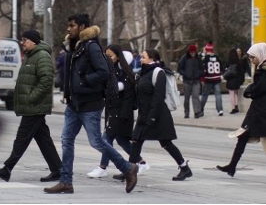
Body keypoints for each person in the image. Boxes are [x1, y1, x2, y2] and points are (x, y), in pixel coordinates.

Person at [46, 15, 137, 195]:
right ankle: (66, 182)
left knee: (96, 141)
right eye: (68, 26)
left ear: (82, 27)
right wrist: (68, 93)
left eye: (72, 26)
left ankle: (128, 168)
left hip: (90, 103)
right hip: (74, 103)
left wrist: (83, 82)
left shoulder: (92, 46)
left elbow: (103, 72)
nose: (68, 29)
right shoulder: (75, 46)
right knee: (66, 140)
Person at [0, 30, 61, 184]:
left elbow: (47, 80)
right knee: (43, 139)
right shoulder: (32, 56)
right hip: (33, 106)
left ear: (34, 41)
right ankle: (58, 169)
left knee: (22, 138)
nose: (22, 43)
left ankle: (7, 169)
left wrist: (31, 98)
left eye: (25, 40)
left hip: (35, 106)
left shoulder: (42, 56)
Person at [217, 43, 266, 179]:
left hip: (264, 110)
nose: (252, 60)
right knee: (244, 135)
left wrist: (249, 92)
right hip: (263, 109)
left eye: (253, 57)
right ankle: (232, 166)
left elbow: (261, 88)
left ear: (260, 54)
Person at [88, 45, 148, 179]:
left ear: (118, 57)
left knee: (106, 139)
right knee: (122, 141)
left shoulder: (124, 73)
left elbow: (127, 96)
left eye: (110, 56)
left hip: (121, 113)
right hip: (113, 111)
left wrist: (123, 115)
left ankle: (103, 167)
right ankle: (141, 162)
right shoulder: (110, 70)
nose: (107, 58)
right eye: (106, 56)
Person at [131, 50, 192, 182]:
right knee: (136, 140)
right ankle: (130, 170)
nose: (141, 59)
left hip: (158, 115)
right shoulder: (141, 73)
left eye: (143, 57)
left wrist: (151, 118)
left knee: (166, 143)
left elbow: (158, 97)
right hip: (144, 114)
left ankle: (184, 168)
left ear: (152, 59)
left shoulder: (158, 73)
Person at [178, 44, 204, 119]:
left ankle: (197, 112)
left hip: (196, 80)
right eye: (191, 52)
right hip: (187, 81)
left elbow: (202, 69)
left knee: (196, 96)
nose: (193, 54)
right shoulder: (184, 58)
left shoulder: (198, 59)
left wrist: (198, 74)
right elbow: (180, 68)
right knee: (186, 97)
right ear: (189, 52)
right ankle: (187, 112)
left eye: (194, 52)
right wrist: (185, 74)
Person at [200, 43, 225, 117]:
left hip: (208, 79)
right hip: (216, 78)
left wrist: (202, 79)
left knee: (204, 95)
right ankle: (220, 109)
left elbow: (203, 69)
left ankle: (201, 109)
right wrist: (220, 74)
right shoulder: (217, 57)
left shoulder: (205, 58)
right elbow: (221, 66)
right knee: (218, 95)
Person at [225, 48, 248, 115]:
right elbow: (241, 71)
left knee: (231, 94)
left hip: (230, 80)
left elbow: (226, 69)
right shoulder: (238, 61)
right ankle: (236, 106)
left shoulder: (229, 61)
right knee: (235, 93)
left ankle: (233, 108)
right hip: (237, 80)